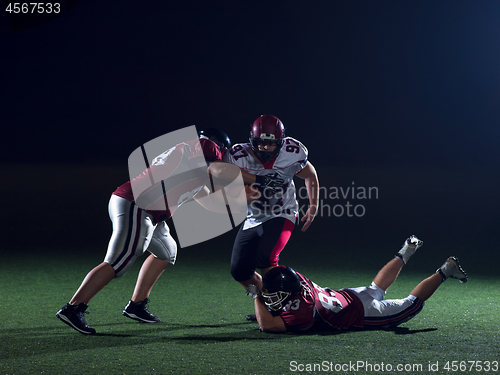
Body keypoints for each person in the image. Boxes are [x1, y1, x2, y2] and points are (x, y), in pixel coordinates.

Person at [56, 128, 264, 335]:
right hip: (138, 205)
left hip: (147, 211)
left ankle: (136, 305)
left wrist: (239, 200)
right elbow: (211, 162)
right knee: (119, 261)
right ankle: (73, 308)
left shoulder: (191, 164)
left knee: (167, 251)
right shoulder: (203, 146)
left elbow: (208, 198)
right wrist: (247, 179)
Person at [246, 235, 468, 333]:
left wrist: (257, 296)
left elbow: (267, 326)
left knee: (411, 305)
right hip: (348, 296)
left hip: (363, 313)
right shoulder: (298, 278)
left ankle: (446, 270)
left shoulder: (301, 313)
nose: (270, 297)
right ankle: (405, 251)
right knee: (375, 289)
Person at [222, 115, 320, 298]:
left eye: (271, 143)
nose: (265, 148)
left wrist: (313, 205)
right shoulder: (238, 156)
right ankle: (264, 301)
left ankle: (279, 310)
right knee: (239, 270)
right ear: (252, 140)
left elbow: (310, 174)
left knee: (266, 257)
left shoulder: (292, 153)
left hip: (283, 212)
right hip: (253, 217)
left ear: (281, 142)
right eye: (260, 143)